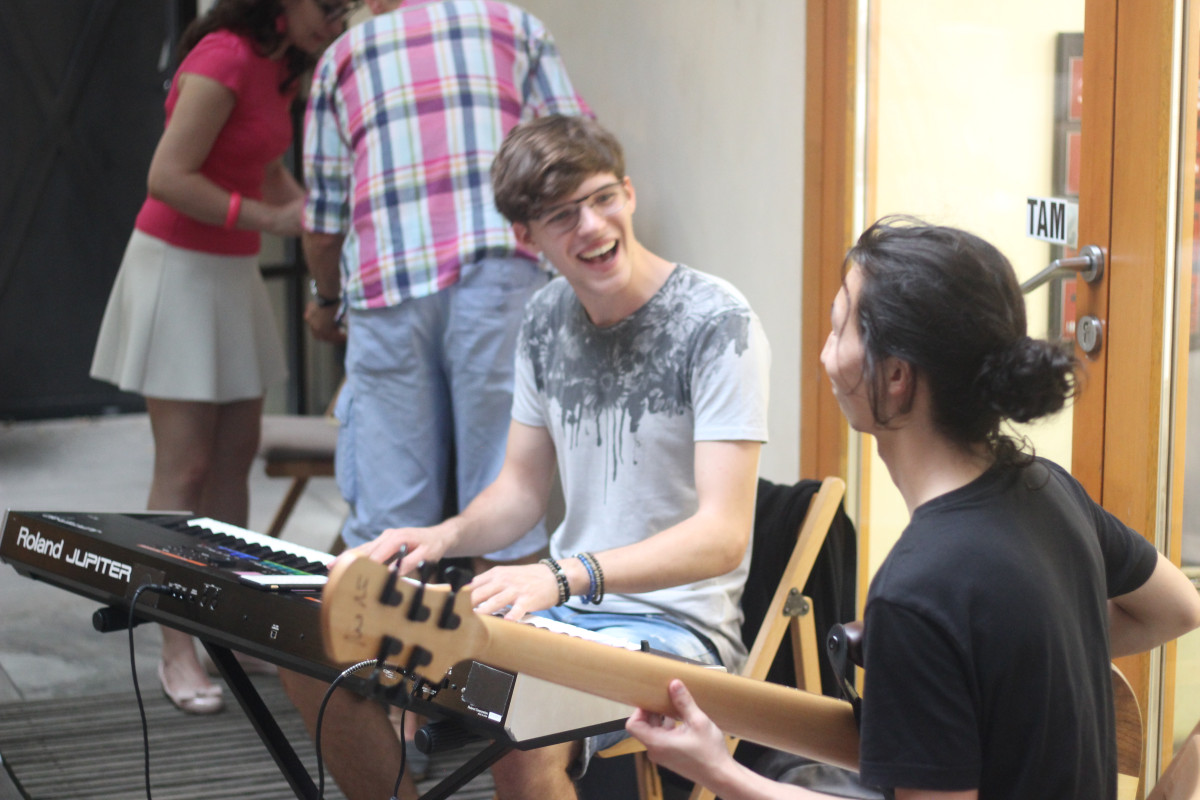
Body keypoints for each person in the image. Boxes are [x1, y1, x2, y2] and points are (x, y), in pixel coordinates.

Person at [281, 113, 771, 800]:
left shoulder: (716, 322)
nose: (593, 227)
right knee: (313, 650)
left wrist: (566, 577)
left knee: (513, 717)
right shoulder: (546, 318)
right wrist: (440, 536)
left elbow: (723, 537)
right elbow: (517, 492)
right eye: (563, 216)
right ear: (526, 237)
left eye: (602, 199)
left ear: (628, 193)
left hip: (674, 629)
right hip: (560, 615)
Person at [626, 217, 1200, 799]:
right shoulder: (1049, 489)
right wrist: (1012, 663)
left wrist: (718, 773)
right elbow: (1176, 608)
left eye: (838, 329)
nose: (826, 356)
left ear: (896, 377)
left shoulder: (918, 589)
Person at [89, 0, 350, 714]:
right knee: (186, 467)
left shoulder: (286, 67)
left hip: (229, 273)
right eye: (328, 6)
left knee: (235, 458)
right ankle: (174, 645)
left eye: (347, 8)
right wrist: (271, 219)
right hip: (177, 267)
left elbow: (264, 168)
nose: (338, 20)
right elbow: (167, 176)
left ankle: (222, 632)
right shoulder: (228, 54)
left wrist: (314, 214)